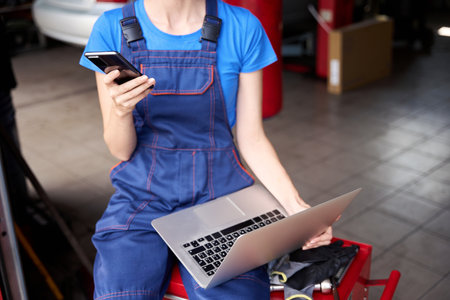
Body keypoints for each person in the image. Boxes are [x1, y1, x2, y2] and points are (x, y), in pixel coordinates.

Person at [79, 0, 332, 299]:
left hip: (221, 198)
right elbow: (121, 151)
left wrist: (296, 208)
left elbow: (251, 138)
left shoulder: (241, 26)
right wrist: (120, 112)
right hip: (141, 198)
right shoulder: (110, 29)